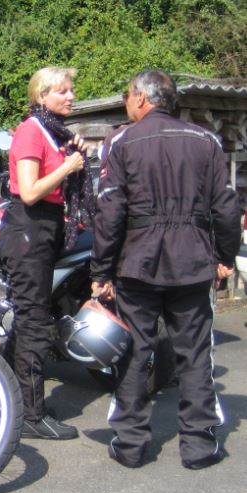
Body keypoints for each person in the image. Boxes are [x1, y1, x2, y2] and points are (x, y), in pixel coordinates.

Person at [90, 69, 241, 469]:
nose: (126, 102)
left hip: (137, 263)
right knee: (195, 355)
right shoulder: (206, 140)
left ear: (142, 98)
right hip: (192, 262)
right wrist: (224, 257)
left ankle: (131, 444)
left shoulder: (122, 141)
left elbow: (110, 211)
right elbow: (227, 207)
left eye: (127, 95)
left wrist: (101, 271)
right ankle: (199, 446)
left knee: (134, 353)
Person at [0, 66, 94, 440]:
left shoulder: (54, 133)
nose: (71, 96)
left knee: (31, 319)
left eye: (71, 89)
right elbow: (29, 190)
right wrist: (68, 166)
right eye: (63, 91)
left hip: (43, 229)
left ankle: (15, 401)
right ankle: (31, 416)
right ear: (42, 95)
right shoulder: (31, 131)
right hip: (30, 229)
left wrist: (73, 153)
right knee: (34, 322)